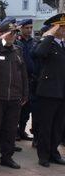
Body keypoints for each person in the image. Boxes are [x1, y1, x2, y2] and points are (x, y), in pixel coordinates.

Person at [0, 18, 28, 170]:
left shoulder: (18, 50)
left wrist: (24, 93)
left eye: (14, 33)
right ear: (1, 34)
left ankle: (7, 158)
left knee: (10, 130)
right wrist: (0, 42)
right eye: (9, 33)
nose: (12, 36)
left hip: (14, 97)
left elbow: (23, 73)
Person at [31, 13, 65, 167]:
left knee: (58, 126)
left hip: (62, 92)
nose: (63, 30)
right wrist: (50, 35)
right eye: (61, 27)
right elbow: (38, 54)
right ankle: (43, 155)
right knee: (46, 125)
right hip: (49, 91)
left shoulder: (63, 45)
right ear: (54, 28)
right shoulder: (47, 43)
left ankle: (54, 152)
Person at [16, 19, 37, 141]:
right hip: (19, 78)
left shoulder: (35, 42)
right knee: (18, 108)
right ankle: (15, 132)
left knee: (27, 109)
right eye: (26, 28)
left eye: (30, 28)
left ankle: (22, 130)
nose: (29, 30)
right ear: (21, 28)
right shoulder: (17, 42)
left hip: (31, 79)